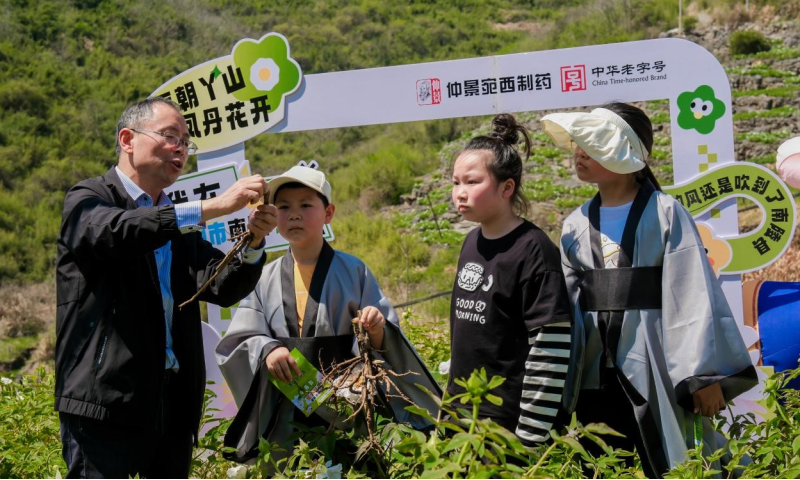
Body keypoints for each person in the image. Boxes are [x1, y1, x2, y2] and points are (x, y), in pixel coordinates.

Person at [55, 97, 278, 479]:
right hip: (104, 405)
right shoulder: (87, 200)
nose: (181, 149)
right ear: (128, 139)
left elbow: (221, 286)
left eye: (186, 142)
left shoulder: (177, 225)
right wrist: (214, 207)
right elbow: (116, 232)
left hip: (170, 407)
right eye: (170, 136)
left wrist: (255, 242)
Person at [543, 102, 758, 478]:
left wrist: (703, 377)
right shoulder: (575, 224)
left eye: (592, 144)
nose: (578, 151)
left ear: (625, 153)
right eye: (579, 143)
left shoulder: (665, 212)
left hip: (656, 367)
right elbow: (567, 307)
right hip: (592, 376)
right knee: (600, 463)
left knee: (667, 460)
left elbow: (693, 296)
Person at [216, 165, 441, 463]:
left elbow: (385, 339)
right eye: (284, 206)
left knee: (348, 464)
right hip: (285, 406)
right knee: (292, 465)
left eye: (306, 205)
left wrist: (375, 327)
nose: (294, 214)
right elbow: (241, 338)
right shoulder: (263, 277)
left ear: (329, 213)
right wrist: (268, 350)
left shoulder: (354, 271)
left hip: (345, 402)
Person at [447, 114, 574, 447]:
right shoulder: (471, 242)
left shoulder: (534, 250)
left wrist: (531, 436)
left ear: (507, 188)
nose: (460, 193)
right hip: (461, 416)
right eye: (455, 181)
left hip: (507, 428)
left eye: (472, 182)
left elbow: (550, 347)